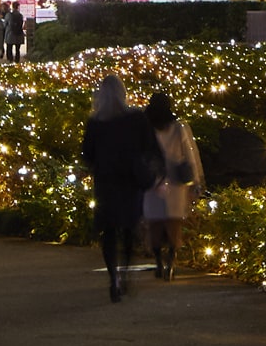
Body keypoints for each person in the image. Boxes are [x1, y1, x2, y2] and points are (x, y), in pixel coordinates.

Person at [80, 76, 165, 301]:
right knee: (128, 229)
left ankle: (113, 278)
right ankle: (125, 273)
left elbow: (87, 154)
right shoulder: (135, 119)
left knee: (108, 233)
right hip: (130, 182)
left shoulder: (95, 123)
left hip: (106, 183)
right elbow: (150, 146)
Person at [141, 90, 200, 281]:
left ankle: (158, 261)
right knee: (174, 224)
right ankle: (171, 262)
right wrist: (196, 180)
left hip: (153, 182)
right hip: (176, 183)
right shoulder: (179, 127)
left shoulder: (146, 128)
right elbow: (190, 155)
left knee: (155, 225)